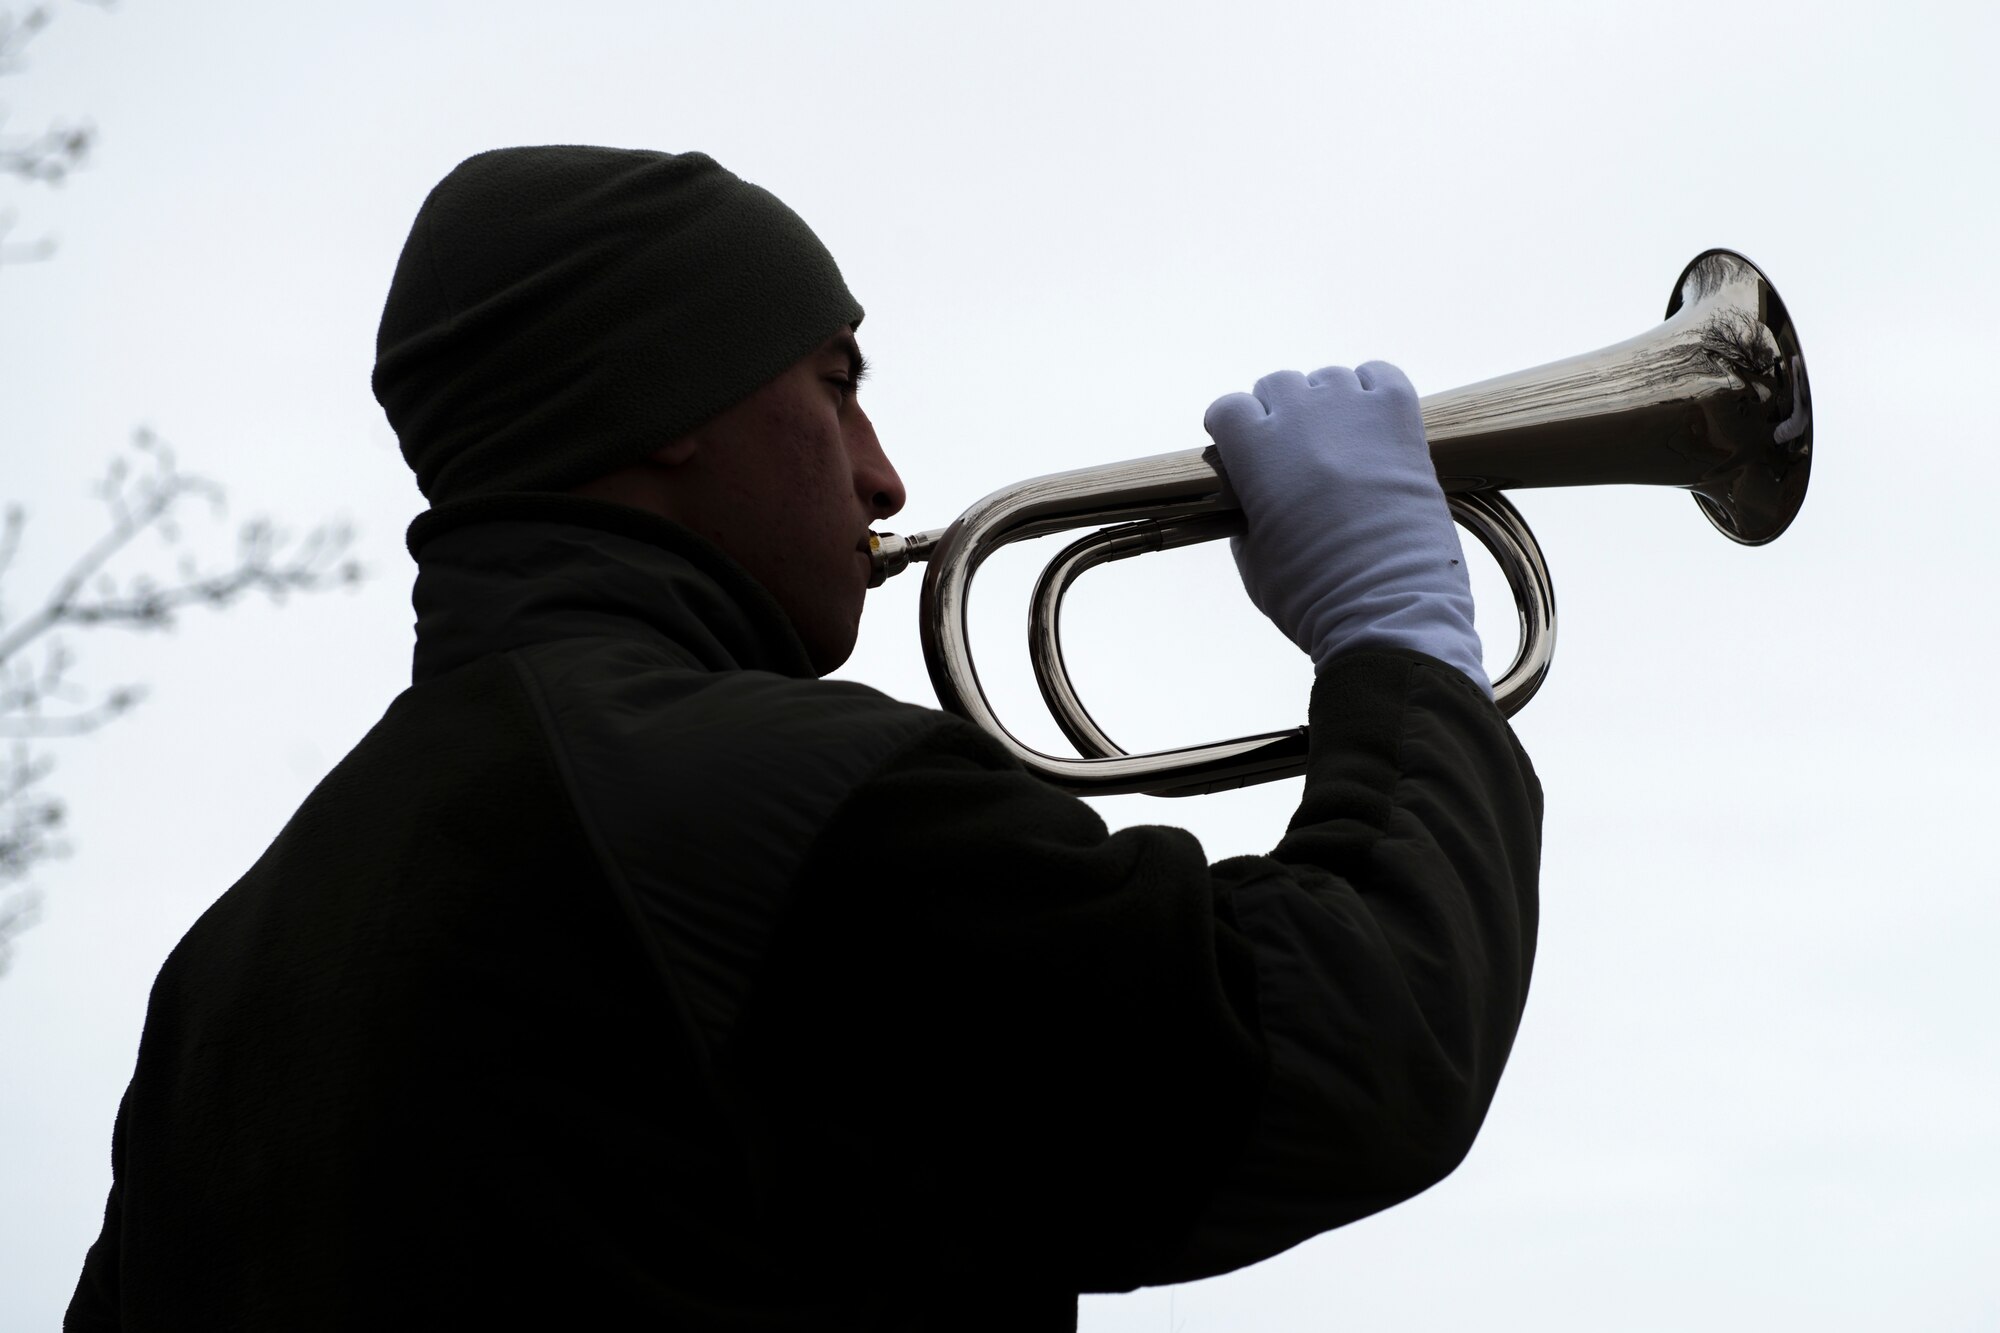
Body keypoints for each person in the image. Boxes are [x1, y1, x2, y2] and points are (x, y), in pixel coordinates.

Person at [66, 146, 1541, 1332]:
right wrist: (1399, 636)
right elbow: (1350, 1045)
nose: (884, 471)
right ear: (665, 407)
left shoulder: (227, 965)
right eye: (835, 385)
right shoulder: (776, 795)